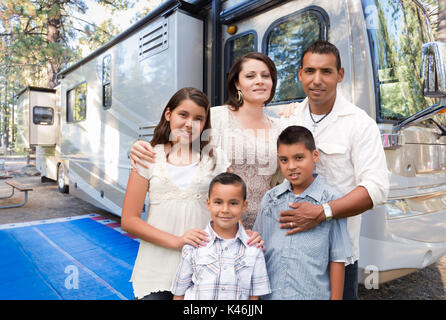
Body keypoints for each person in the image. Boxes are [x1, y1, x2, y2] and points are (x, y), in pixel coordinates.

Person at [278, 40, 390, 299]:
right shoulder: (289, 119)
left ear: (340, 75)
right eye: (310, 71)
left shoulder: (360, 124)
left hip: (338, 254)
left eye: (326, 71)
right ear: (300, 74)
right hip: (292, 249)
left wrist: (322, 213)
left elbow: (376, 189)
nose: (317, 80)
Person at [129, 52, 280, 230]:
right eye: (250, 76)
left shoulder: (281, 127)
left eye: (265, 76)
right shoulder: (214, 116)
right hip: (216, 224)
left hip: (265, 223)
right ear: (237, 84)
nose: (259, 81)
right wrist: (138, 145)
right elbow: (175, 134)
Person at [121, 87, 233, 300]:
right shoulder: (148, 156)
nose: (190, 124)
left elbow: (228, 211)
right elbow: (129, 220)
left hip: (203, 269)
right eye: (183, 115)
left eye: (198, 118)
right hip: (155, 268)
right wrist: (177, 241)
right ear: (168, 115)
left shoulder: (216, 159)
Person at [253, 125, 353, 300]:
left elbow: (337, 258)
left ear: (314, 156)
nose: (291, 166)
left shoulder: (331, 201)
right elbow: (257, 248)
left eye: (299, 158)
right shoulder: (271, 199)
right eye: (284, 160)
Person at [171, 172, 271, 300]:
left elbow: (254, 297)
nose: (225, 209)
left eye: (233, 203)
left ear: (244, 206)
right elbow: (179, 293)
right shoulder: (194, 245)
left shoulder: (253, 248)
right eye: (218, 202)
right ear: (208, 203)